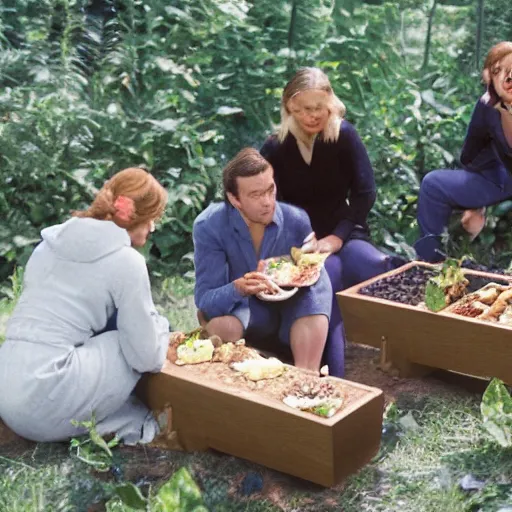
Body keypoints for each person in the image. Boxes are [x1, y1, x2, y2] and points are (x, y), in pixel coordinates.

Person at [0, 168, 170, 444]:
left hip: (6, 390)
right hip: (44, 401)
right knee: (132, 340)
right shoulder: (126, 261)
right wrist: (160, 327)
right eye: (155, 218)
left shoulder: (47, 245)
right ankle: (116, 421)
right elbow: (146, 357)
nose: (153, 228)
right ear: (139, 217)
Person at [260, 67, 401, 377]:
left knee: (376, 265)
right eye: (307, 109)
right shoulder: (274, 147)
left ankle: (414, 347)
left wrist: (338, 236)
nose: (314, 116)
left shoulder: (344, 136)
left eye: (321, 108)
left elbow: (365, 193)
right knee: (329, 278)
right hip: (303, 243)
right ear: (290, 108)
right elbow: (268, 204)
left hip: (345, 231)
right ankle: (333, 376)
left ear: (331, 104)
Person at [193, 148, 332, 373]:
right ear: (234, 199)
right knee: (220, 327)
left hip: (293, 309)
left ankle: (307, 374)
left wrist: (298, 266)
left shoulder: (297, 220)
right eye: (256, 195)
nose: (268, 202)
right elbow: (205, 300)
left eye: (271, 190)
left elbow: (312, 280)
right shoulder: (210, 226)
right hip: (247, 311)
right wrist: (237, 288)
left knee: (318, 274)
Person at [415, 41, 512, 263]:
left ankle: (435, 262)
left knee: (434, 183)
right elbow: (469, 154)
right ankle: (433, 263)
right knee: (435, 183)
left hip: (502, 177)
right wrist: (475, 202)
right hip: (496, 177)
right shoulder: (488, 104)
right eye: (498, 71)